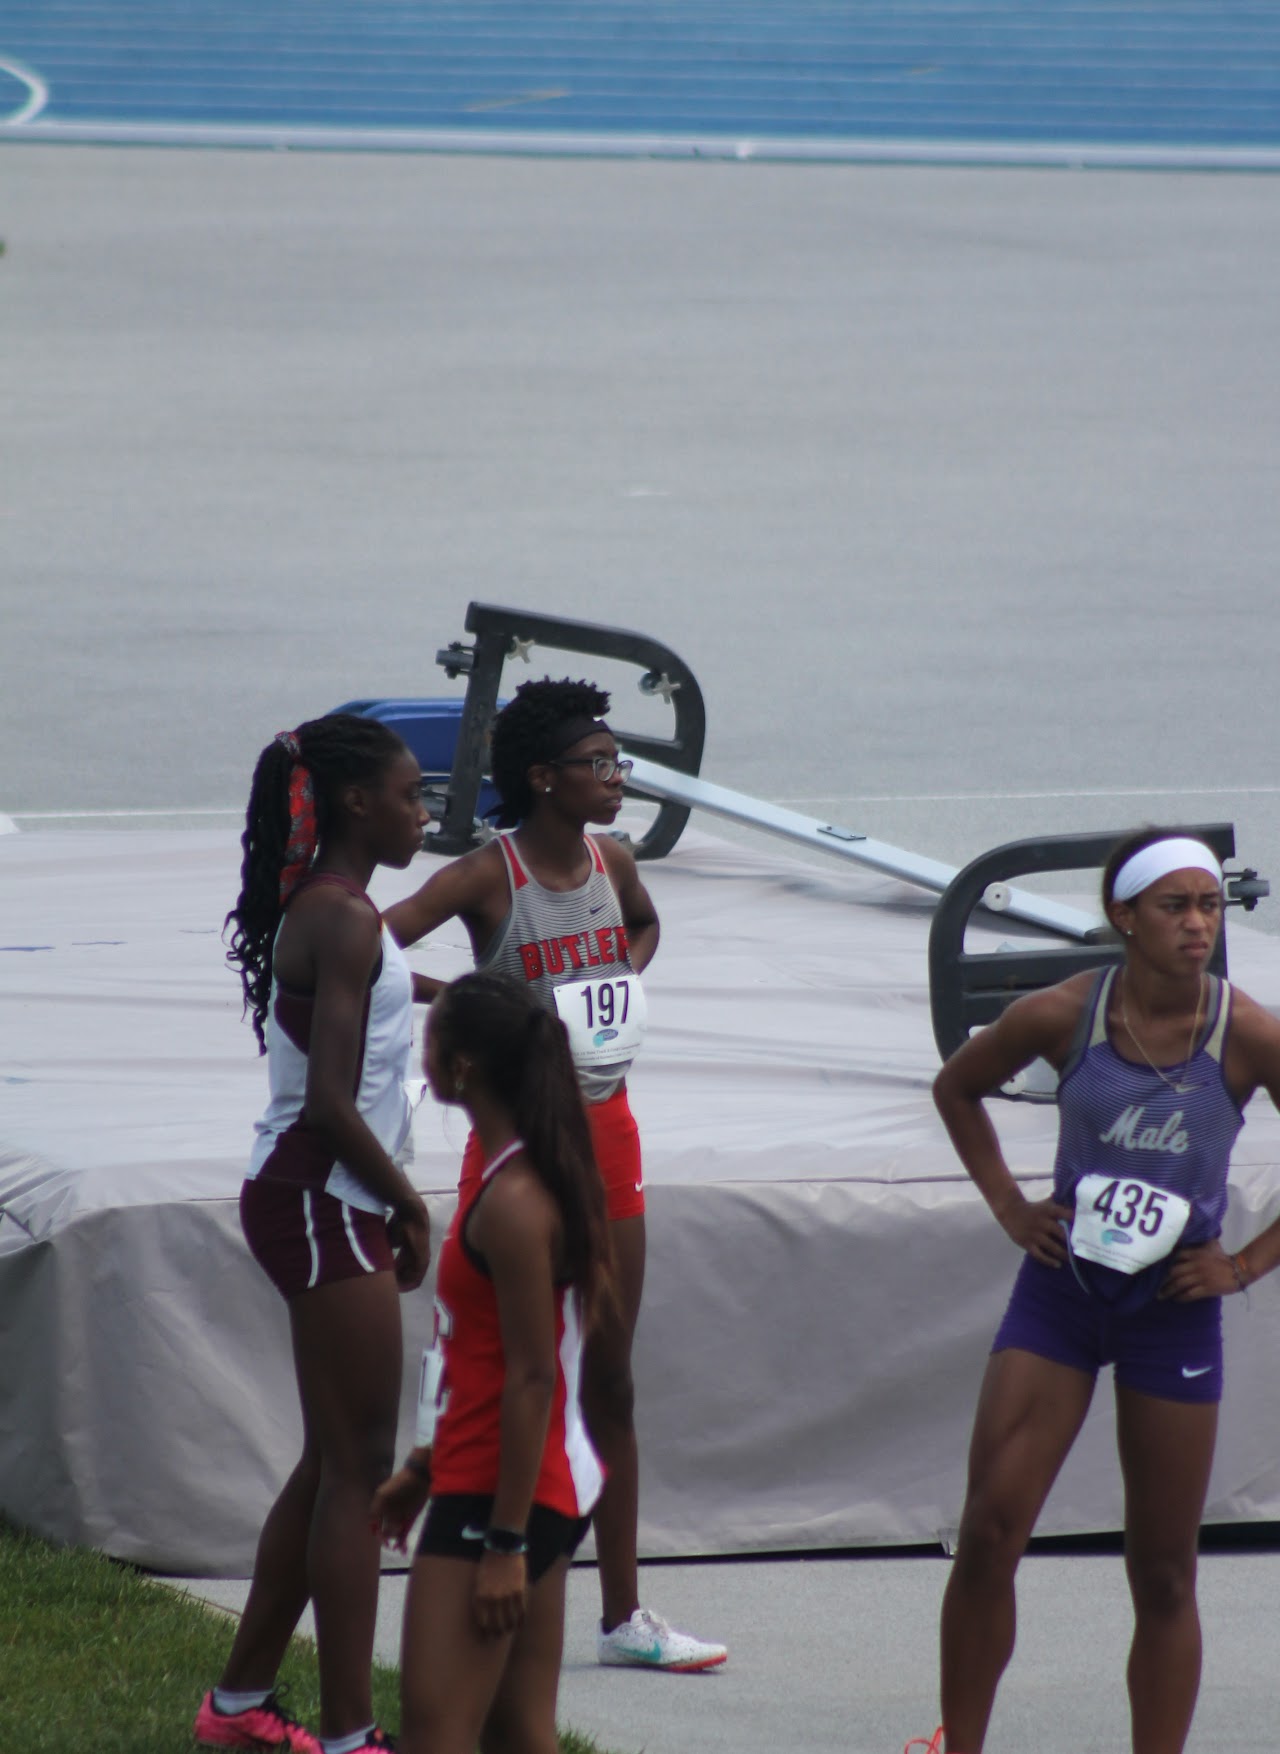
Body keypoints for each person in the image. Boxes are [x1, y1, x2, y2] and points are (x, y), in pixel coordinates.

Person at [907, 828, 1280, 1754]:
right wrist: (1008, 1206)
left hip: (1173, 1314)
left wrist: (1243, 1263)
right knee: (991, 1530)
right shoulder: (1063, 1014)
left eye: (1209, 905)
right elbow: (958, 1089)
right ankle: (963, 1745)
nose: (1198, 925)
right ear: (1124, 918)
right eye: (1175, 906)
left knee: (1161, 1574)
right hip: (1063, 1297)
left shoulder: (1251, 1034)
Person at [383, 677, 727, 1672]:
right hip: (518, 1140)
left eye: (618, 763)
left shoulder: (610, 857)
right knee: (509, 1357)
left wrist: (615, 978)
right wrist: (469, 997)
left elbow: (643, 922)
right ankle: (476, 1545)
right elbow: (371, 943)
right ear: (542, 776)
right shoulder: (486, 877)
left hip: (607, 1131)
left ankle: (624, 1613)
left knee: (609, 1368)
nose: (617, 779)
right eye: (600, 764)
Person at [195, 712, 432, 1754]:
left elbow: (364, 1013)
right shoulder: (341, 919)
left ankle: (237, 1705)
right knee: (357, 1469)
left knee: (332, 1460)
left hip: (321, 1195)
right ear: (353, 803)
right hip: (321, 1196)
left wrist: (449, 994)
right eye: (411, 795)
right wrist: (410, 1203)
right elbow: (329, 1104)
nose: (424, 812)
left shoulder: (341, 915)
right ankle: (349, 1734)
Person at [373, 971, 611, 1753]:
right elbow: (477, 1362)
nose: (422, 1049)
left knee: (435, 1736)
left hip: (499, 1499)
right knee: (518, 1733)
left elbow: (533, 1377)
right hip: (521, 1483)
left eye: (430, 1035)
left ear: (464, 1063)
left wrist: (504, 1542)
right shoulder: (525, 1176)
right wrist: (423, 1464)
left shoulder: (512, 1204)